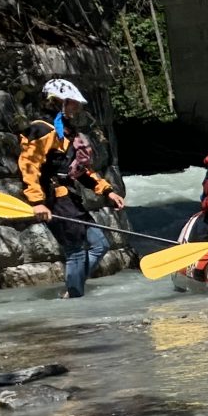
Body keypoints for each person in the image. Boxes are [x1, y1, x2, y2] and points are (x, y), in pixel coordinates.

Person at [21, 79, 125, 298]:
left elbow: (80, 169)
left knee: (100, 244)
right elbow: (29, 166)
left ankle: (72, 291)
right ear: (58, 103)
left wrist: (108, 191)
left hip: (71, 198)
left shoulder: (66, 131)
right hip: (54, 200)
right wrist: (37, 202)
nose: (77, 108)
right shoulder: (41, 129)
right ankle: (75, 301)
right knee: (75, 252)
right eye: (73, 103)